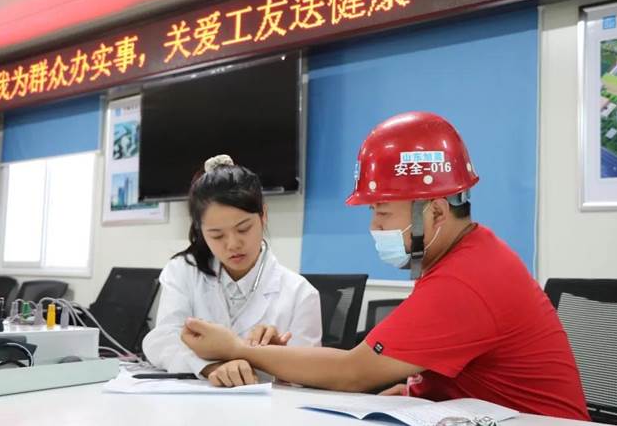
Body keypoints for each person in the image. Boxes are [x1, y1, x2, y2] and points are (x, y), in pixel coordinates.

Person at [180, 112, 590, 421]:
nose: (374, 225)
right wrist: (415, 388)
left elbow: (355, 371)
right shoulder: (465, 256)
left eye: (382, 211)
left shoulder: (466, 280)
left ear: (434, 211)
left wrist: (235, 348)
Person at [142, 154, 322, 386]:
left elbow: (313, 374)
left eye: (243, 229)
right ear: (200, 231)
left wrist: (278, 359)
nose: (232, 244)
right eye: (216, 235)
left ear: (263, 216)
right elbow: (161, 340)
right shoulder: (183, 271)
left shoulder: (300, 294)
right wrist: (211, 367)